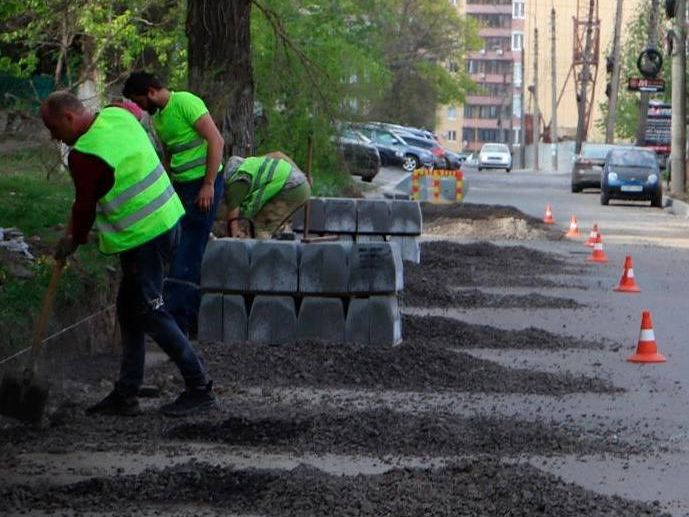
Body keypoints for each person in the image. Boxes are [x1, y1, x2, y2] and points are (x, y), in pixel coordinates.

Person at [40, 91, 216, 417]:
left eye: (53, 128)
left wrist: (71, 242)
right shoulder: (116, 115)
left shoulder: (85, 155)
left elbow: (84, 209)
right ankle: (127, 392)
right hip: (167, 220)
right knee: (128, 309)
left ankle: (199, 385)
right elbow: (134, 110)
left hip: (144, 236)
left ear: (68, 118)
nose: (53, 137)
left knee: (149, 310)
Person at [122, 71, 224, 337]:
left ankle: (177, 326)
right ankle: (182, 321)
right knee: (177, 248)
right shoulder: (160, 117)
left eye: (140, 100)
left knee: (188, 253)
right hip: (181, 187)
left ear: (152, 92)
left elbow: (216, 140)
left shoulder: (186, 103)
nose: (141, 107)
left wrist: (209, 184)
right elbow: (170, 154)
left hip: (203, 187)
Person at [224, 152, 311, 239]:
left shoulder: (236, 179)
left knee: (261, 226)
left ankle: (260, 251)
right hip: (298, 185)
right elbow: (278, 155)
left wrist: (234, 234)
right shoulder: (248, 165)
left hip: (292, 188)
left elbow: (233, 215)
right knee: (267, 226)